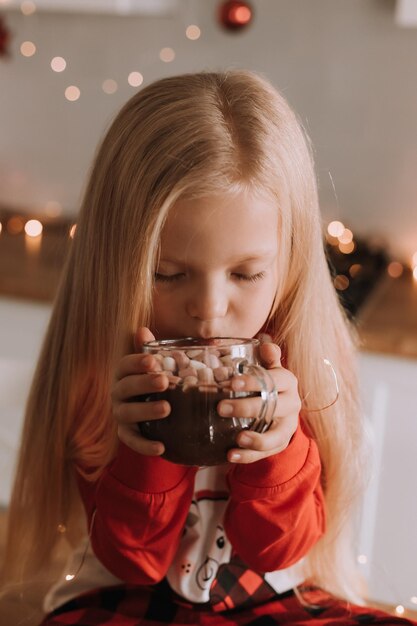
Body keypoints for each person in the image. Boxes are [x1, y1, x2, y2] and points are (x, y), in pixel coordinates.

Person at [1, 70, 415, 626]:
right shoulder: (104, 370)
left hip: (276, 601)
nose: (210, 309)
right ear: (118, 261)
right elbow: (133, 560)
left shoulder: (302, 368)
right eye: (168, 273)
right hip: (127, 601)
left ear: (287, 265)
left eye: (246, 275)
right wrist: (145, 448)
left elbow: (280, 549)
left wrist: (279, 451)